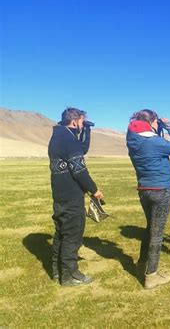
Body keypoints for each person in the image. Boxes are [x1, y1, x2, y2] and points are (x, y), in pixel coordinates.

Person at [126, 109, 170, 289]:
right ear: (152, 122)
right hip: (160, 190)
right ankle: (151, 276)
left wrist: (157, 130)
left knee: (150, 229)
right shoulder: (154, 141)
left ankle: (141, 265)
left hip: (144, 190)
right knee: (157, 234)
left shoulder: (133, 140)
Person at [48, 107, 104, 286]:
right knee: (73, 235)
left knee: (61, 234)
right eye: (81, 122)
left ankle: (57, 271)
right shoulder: (68, 139)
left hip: (60, 194)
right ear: (74, 121)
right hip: (72, 195)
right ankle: (69, 275)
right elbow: (79, 170)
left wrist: (87, 130)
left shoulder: (59, 135)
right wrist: (94, 190)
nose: (82, 124)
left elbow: (81, 149)